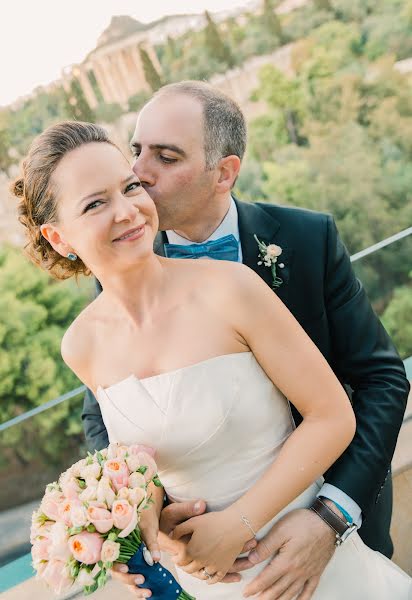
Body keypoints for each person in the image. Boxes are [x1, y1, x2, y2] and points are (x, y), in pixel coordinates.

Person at [12, 121, 411, 600]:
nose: (128, 211)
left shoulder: (232, 287)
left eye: (130, 187)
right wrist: (137, 531)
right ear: (58, 237)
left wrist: (237, 524)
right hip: (208, 582)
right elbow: (141, 463)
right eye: (96, 203)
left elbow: (332, 416)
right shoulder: (80, 345)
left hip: (307, 566)